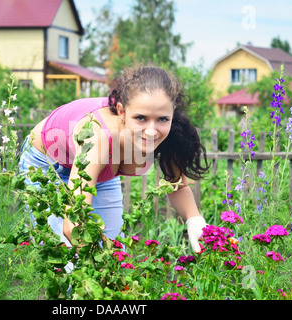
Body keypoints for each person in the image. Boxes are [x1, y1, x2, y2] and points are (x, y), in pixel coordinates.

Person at [19, 65, 210, 253]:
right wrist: (97, 266)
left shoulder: (171, 132)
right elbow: (74, 224)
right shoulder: (97, 138)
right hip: (46, 165)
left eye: (162, 119)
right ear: (121, 111)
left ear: (172, 112)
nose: (152, 130)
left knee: (116, 252)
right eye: (141, 118)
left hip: (100, 172)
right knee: (64, 257)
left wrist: (194, 220)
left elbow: (177, 185)